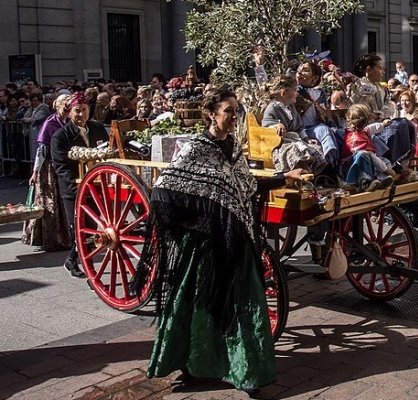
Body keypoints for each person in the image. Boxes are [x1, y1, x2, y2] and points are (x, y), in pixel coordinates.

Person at [136, 88, 303, 392]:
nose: (234, 116)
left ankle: (248, 372)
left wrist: (284, 178)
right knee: (198, 303)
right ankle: (194, 362)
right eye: (229, 110)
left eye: (237, 110)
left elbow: (246, 184)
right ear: (211, 113)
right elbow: (165, 187)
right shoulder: (195, 148)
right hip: (203, 246)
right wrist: (199, 220)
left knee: (245, 302)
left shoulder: (234, 149)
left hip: (236, 239)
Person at [50, 92, 109, 278]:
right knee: (78, 228)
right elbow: (60, 167)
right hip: (74, 190)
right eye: (77, 111)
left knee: (91, 228)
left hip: (96, 186)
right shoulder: (60, 136)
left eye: (84, 110)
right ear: (69, 113)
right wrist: (79, 187)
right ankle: (90, 272)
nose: (81, 115)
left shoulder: (98, 128)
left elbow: (106, 152)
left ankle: (71, 259)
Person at [22, 94, 72, 251]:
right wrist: (35, 172)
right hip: (49, 167)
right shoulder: (50, 123)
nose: (67, 107)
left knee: (65, 204)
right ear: (57, 106)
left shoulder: (71, 122)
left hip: (65, 164)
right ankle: (50, 239)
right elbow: (41, 150)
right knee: (50, 202)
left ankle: (67, 237)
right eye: (64, 104)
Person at [341, 103, 397, 191]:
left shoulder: (364, 131)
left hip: (370, 160)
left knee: (385, 160)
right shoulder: (354, 138)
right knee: (362, 155)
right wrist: (387, 170)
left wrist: (383, 124)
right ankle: (365, 184)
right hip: (351, 167)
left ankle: (381, 180)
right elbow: (371, 156)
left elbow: (372, 128)